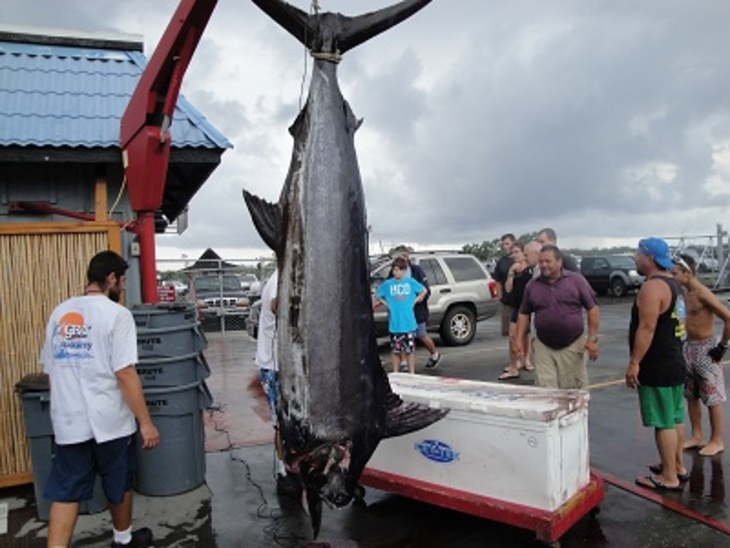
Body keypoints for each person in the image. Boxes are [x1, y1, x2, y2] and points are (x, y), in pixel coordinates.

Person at [40, 251, 159, 548]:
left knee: (66, 491)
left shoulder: (59, 312)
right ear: (110, 279)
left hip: (69, 422)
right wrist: (145, 422)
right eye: (122, 280)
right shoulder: (117, 315)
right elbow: (125, 373)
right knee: (118, 483)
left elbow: (51, 371)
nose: (124, 286)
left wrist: (62, 409)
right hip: (111, 421)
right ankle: (122, 541)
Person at [626, 238, 688, 492]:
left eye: (638, 254)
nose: (635, 258)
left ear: (649, 258)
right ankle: (677, 466)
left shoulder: (652, 288)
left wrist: (634, 362)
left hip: (658, 364)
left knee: (663, 422)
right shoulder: (674, 283)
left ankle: (669, 477)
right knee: (674, 418)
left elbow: (648, 327)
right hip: (674, 360)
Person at [514, 244, 599, 389]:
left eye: (548, 261)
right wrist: (518, 340)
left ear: (559, 262)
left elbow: (593, 309)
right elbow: (524, 313)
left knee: (572, 391)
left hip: (572, 345)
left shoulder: (576, 281)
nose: (544, 265)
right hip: (543, 346)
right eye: (541, 262)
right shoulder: (532, 285)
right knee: (546, 392)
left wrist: (592, 340)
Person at [673, 254, 730, 456]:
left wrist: (722, 346)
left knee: (712, 396)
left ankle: (717, 440)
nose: (673, 277)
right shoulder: (683, 293)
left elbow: (728, 317)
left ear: (687, 273)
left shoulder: (702, 293)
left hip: (707, 348)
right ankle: (697, 435)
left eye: (675, 273)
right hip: (689, 347)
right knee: (691, 395)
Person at [254, 269, 295, 493]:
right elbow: (275, 305)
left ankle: (293, 465)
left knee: (296, 420)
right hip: (275, 366)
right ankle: (283, 470)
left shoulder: (289, 275)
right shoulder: (280, 279)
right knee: (282, 422)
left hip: (290, 366)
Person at [374, 256, 427, 374]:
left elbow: (423, 290)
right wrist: (386, 303)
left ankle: (412, 372)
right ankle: (395, 371)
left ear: (404, 270)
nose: (395, 272)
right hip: (395, 323)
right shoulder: (388, 284)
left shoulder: (410, 282)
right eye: (394, 270)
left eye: (398, 270)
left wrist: (416, 300)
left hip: (408, 322)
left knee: (410, 349)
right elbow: (377, 294)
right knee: (395, 349)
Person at [391, 246, 441, 368]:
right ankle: (403, 362)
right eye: (398, 257)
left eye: (403, 256)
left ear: (407, 257)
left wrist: (416, 300)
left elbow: (425, 290)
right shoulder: (393, 272)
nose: (401, 259)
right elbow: (389, 288)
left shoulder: (416, 271)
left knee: (421, 334)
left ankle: (434, 354)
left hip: (417, 310)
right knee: (401, 335)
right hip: (400, 311)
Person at [498, 241, 535, 380]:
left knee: (524, 335)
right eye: (512, 253)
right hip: (516, 306)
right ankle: (514, 365)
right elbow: (508, 289)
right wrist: (511, 273)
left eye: (517, 252)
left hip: (527, 308)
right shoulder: (514, 269)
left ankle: (526, 359)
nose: (514, 256)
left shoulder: (531, 269)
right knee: (512, 337)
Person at [493, 234, 516, 338]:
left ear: (513, 243)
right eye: (503, 244)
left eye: (507, 243)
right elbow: (497, 280)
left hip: (520, 301)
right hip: (507, 302)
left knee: (521, 332)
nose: (505, 247)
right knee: (508, 333)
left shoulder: (520, 259)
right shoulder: (501, 261)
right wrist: (500, 297)